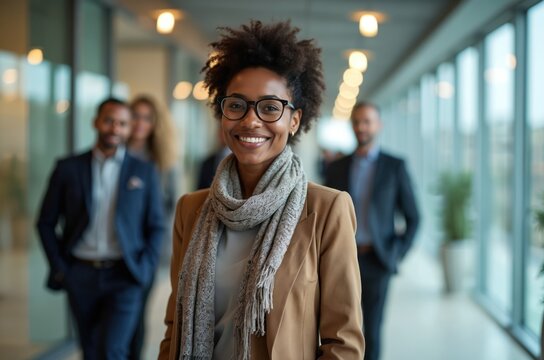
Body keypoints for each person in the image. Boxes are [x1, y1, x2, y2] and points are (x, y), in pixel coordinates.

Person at [159, 20, 364, 360]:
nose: (251, 121)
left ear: (294, 120)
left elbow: (344, 343)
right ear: (222, 112)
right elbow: (174, 324)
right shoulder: (190, 209)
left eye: (270, 107)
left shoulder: (327, 209)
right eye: (237, 105)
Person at [36, 98, 166, 359]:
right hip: (80, 273)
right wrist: (61, 268)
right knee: (91, 350)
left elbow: (156, 225)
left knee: (113, 350)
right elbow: (46, 222)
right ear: (96, 122)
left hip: (125, 274)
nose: (114, 128)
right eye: (109, 121)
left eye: (122, 123)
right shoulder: (68, 168)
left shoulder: (144, 170)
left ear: (129, 129)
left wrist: (145, 266)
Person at [325, 102, 420, 360]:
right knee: (339, 328)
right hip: (343, 259)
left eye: (367, 121)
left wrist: (396, 253)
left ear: (379, 125)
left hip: (378, 258)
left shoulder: (395, 166)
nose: (361, 127)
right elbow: (324, 215)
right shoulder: (336, 167)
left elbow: (414, 218)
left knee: (373, 330)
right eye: (356, 122)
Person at [128, 95, 179, 359]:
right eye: (135, 115)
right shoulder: (116, 152)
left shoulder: (164, 162)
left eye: (146, 118)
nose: (139, 123)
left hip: (145, 251)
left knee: (136, 315)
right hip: (115, 247)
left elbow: (171, 209)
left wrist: (156, 252)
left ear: (155, 124)